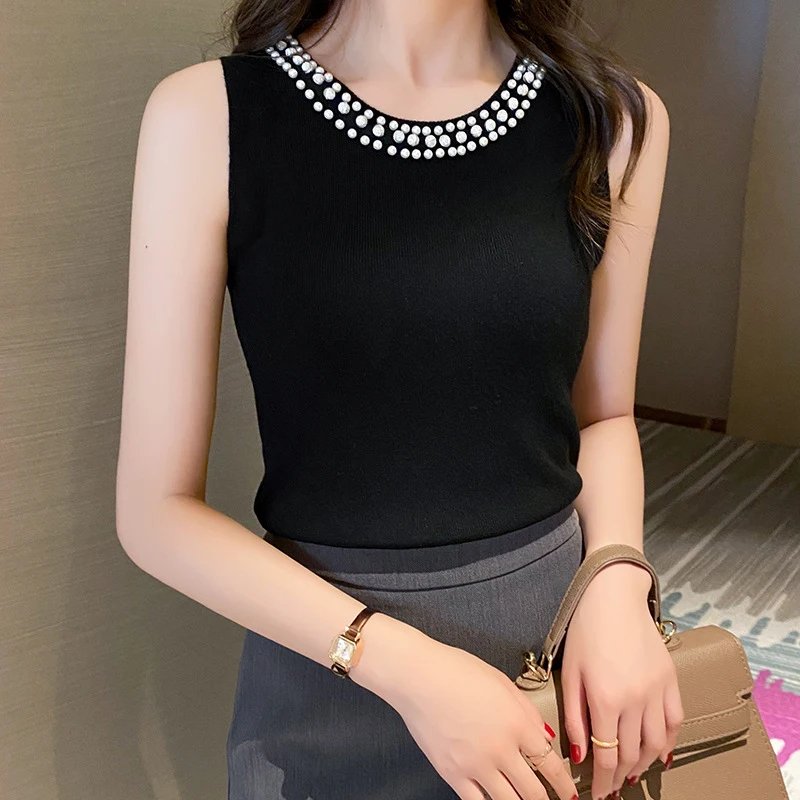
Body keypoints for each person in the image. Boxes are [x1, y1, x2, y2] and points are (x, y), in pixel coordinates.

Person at [115, 1, 680, 799]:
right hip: (330, 672)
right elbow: (156, 513)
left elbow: (605, 415)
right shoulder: (207, 116)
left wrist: (617, 583)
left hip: (559, 665)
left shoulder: (613, 118)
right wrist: (407, 670)